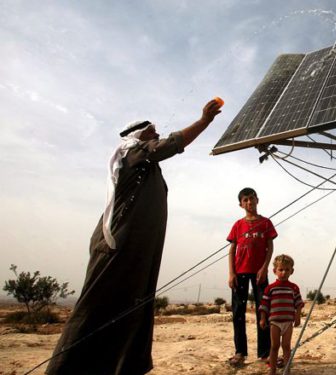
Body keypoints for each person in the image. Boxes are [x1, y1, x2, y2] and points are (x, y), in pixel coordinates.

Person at [46, 99, 223, 375]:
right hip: (117, 245)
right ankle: (64, 369)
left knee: (133, 308)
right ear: (138, 136)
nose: (156, 134)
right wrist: (203, 122)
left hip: (138, 250)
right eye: (151, 131)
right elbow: (172, 144)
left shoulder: (147, 165)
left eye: (155, 131)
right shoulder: (132, 154)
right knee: (95, 307)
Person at [227, 187, 277, 366]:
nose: (249, 202)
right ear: (241, 204)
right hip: (240, 273)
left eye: (251, 198)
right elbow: (232, 249)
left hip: (259, 274)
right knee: (238, 313)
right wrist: (231, 273)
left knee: (263, 311)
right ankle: (240, 352)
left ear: (257, 200)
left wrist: (264, 268)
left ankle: (265, 353)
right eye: (245, 200)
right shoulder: (238, 225)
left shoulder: (266, 223)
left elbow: (270, 247)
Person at [259, 254, 304, 375]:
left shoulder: (293, 288)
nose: (284, 272)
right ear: (275, 271)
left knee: (286, 346)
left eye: (287, 270)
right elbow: (264, 305)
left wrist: (298, 317)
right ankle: (272, 371)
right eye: (281, 269)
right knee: (274, 347)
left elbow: (299, 303)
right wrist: (262, 319)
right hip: (274, 322)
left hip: (288, 322)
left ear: (292, 271)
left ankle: (287, 370)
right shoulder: (270, 288)